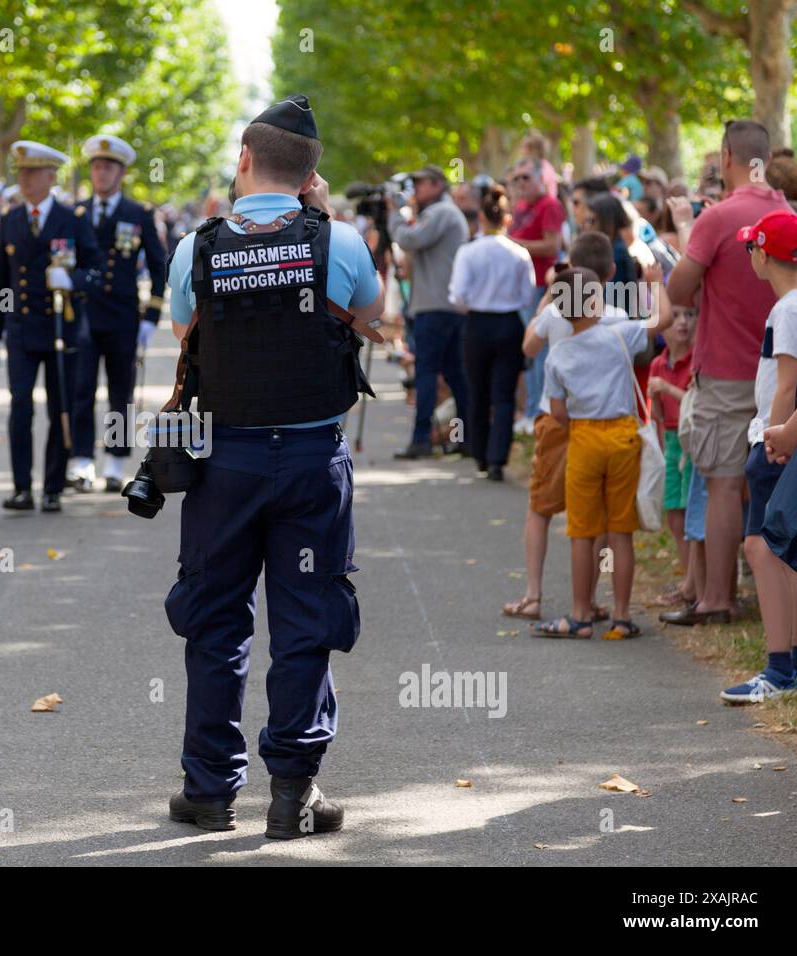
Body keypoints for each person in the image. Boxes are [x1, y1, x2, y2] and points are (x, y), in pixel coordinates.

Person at [162, 94, 382, 837]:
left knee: (216, 623)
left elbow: (185, 329)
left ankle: (210, 790)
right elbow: (371, 317)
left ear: (244, 162)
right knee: (305, 624)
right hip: (313, 464)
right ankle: (293, 793)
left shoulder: (199, 246)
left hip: (224, 463)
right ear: (312, 175)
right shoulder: (340, 241)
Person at [664, 120, 792, 626]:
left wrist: (686, 232)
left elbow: (677, 290)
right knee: (775, 483)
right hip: (783, 372)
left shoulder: (719, 218)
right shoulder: (787, 214)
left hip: (725, 371)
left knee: (721, 483)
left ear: (726, 158)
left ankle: (717, 598)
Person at [534, 267, 669, 639]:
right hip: (623, 437)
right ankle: (622, 617)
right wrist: (656, 283)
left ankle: (579, 615)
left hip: (583, 438)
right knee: (620, 531)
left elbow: (558, 412)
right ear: (595, 302)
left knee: (582, 532)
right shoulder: (619, 335)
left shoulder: (557, 356)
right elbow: (664, 319)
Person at [503, 232, 624, 622]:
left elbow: (528, 348)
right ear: (611, 272)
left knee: (541, 508)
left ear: (570, 268)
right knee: (599, 517)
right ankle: (588, 599)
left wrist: (543, 304)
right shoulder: (618, 314)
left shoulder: (556, 311)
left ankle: (533, 594)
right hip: (602, 423)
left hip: (557, 421)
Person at [0, 140, 103, 513]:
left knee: (60, 407)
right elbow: (2, 281)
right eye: (21, 172)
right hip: (22, 328)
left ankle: (53, 486)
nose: (24, 179)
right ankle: (22, 487)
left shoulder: (73, 220)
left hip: (61, 329)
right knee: (20, 406)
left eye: (32, 172)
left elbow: (97, 271)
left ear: (51, 176)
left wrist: (73, 281)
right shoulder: (11, 220)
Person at [721, 210, 797, 703]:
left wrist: (769, 438)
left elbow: (789, 380)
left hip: (777, 441)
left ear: (761, 252)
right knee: (789, 553)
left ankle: (780, 668)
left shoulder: (790, 310)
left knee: (764, 548)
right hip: (785, 439)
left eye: (749, 248)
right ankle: (796, 664)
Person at [67, 134, 168, 493]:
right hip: (82, 315)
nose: (101, 173)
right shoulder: (76, 213)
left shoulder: (137, 214)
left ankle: (114, 460)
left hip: (123, 315)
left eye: (108, 167)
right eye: (96, 167)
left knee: (120, 391)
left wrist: (151, 316)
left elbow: (159, 266)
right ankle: (81, 460)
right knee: (80, 388)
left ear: (121, 173)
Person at [446, 183, 534, 479]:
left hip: (478, 323)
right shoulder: (519, 253)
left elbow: (457, 296)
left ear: (481, 218)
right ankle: (498, 458)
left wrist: (473, 304)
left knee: (477, 391)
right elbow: (526, 295)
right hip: (509, 323)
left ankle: (480, 453)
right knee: (504, 394)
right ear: (507, 219)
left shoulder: (469, 252)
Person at [386, 163, 469, 459]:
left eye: (421, 184)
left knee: (427, 372)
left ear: (437, 185)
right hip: (444, 306)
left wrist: (393, 214)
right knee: (456, 375)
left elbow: (409, 239)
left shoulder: (441, 213)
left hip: (436, 307)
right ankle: (466, 438)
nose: (416, 190)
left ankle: (421, 439)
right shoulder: (442, 213)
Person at [508, 157, 566, 429]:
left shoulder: (550, 205)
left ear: (541, 179)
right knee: (528, 351)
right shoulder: (519, 207)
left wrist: (513, 245)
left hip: (542, 286)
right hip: (522, 288)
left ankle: (540, 413)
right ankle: (531, 409)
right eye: (516, 179)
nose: (520, 183)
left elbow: (552, 246)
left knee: (539, 348)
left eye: (525, 178)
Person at [646, 309, 696, 606]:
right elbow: (657, 415)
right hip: (670, 440)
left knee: (692, 511)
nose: (682, 322)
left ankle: (695, 583)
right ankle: (687, 579)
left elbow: (693, 401)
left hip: (691, 438)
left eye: (689, 315)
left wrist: (666, 388)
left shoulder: (695, 361)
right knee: (675, 516)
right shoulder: (657, 363)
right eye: (674, 316)